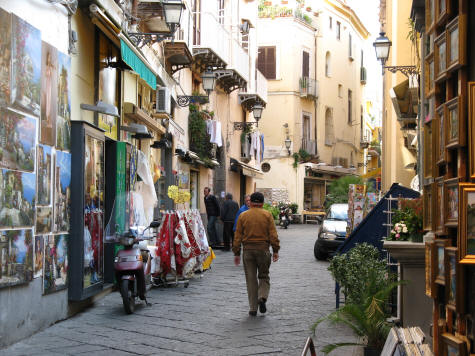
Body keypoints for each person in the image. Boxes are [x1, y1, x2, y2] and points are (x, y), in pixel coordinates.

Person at [233, 192, 280, 316]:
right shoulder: (267, 215)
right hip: (263, 250)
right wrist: (275, 250)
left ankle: (253, 308)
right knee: (264, 276)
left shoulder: (243, 216)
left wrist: (237, 252)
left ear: (250, 202)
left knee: (251, 279)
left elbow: (237, 236)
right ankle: (262, 297)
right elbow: (273, 235)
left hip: (248, 251)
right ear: (262, 203)